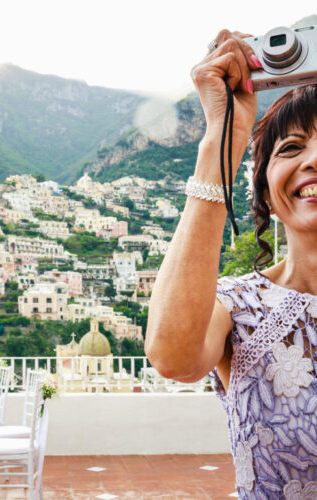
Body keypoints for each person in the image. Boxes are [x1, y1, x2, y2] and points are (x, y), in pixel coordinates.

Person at [145, 28, 317, 500]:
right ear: (266, 193)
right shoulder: (241, 306)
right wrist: (224, 137)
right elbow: (172, 356)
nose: (313, 161)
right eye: (292, 148)